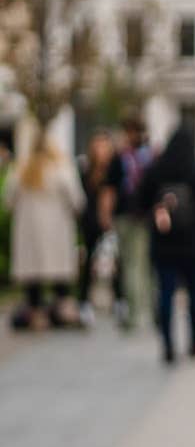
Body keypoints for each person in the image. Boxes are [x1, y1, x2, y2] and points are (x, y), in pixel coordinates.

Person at [136, 125, 195, 363]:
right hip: (194, 244)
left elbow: (140, 201)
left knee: (166, 294)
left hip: (164, 244)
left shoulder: (156, 170)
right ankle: (194, 341)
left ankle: (168, 345)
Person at [5, 131, 86, 330]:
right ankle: (63, 310)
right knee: (59, 275)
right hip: (56, 231)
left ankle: (36, 313)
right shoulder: (61, 169)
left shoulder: (21, 169)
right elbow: (77, 200)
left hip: (29, 232)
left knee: (33, 278)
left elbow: (8, 200)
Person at [110, 116, 155, 332]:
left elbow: (110, 190)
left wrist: (106, 215)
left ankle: (136, 314)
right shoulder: (151, 156)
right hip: (145, 216)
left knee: (131, 265)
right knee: (145, 264)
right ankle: (148, 310)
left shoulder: (122, 157)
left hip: (128, 215)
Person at [78, 129, 120, 322]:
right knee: (89, 261)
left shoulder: (115, 168)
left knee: (117, 261)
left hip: (112, 220)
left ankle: (119, 298)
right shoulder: (86, 170)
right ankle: (84, 301)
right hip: (90, 221)